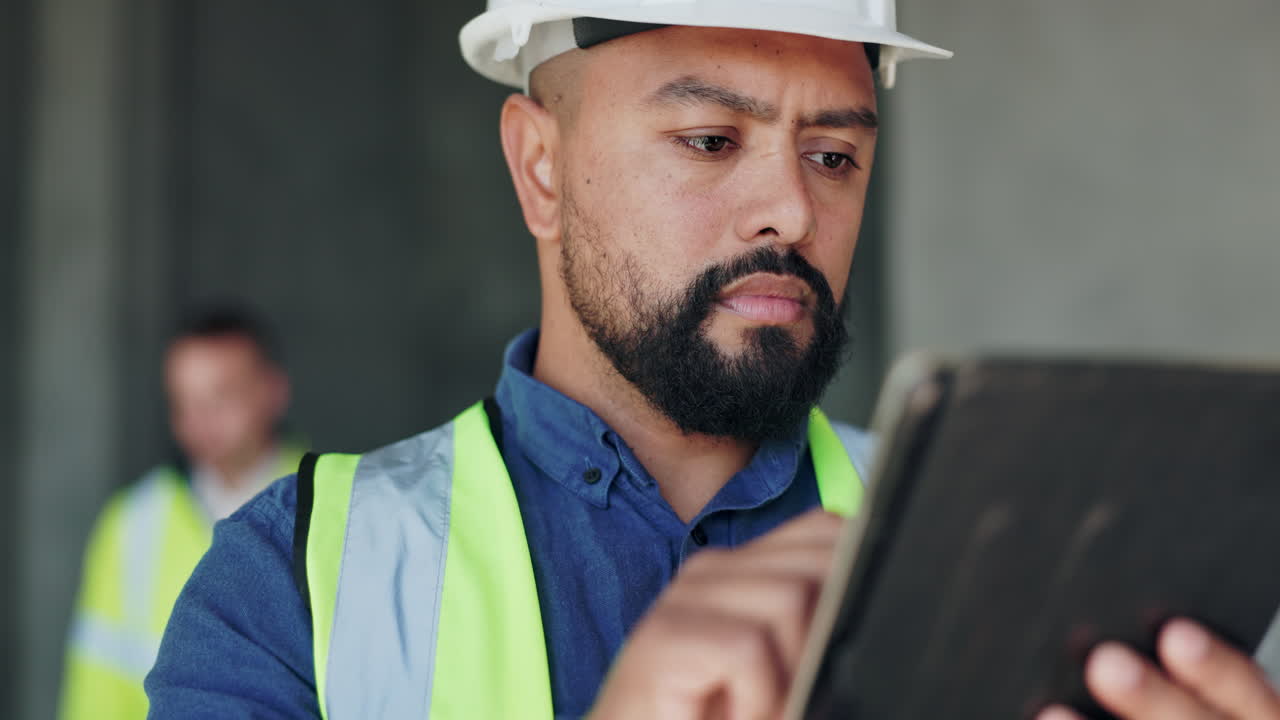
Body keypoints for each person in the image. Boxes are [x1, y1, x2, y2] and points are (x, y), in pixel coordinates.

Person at [146, 3, 1280, 719]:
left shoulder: (1005, 557)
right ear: (541, 169)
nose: (790, 208)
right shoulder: (291, 594)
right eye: (710, 140)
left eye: (832, 154)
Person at [60, 305, 305, 720]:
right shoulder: (132, 522)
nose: (199, 420)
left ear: (274, 391)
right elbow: (96, 691)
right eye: (184, 402)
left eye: (221, 397)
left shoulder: (332, 511)